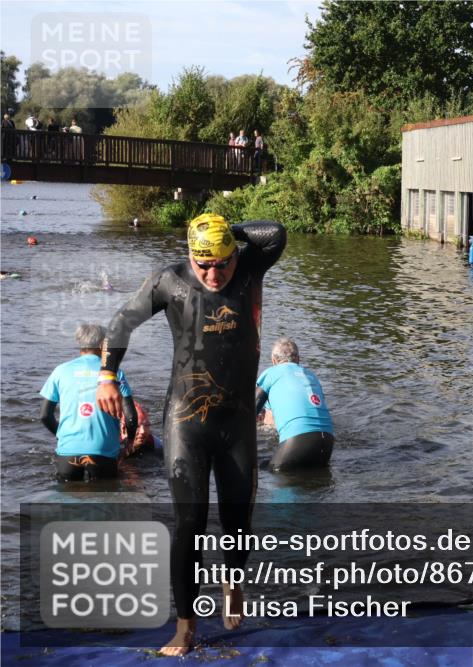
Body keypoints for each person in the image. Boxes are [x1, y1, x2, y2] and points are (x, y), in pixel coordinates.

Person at [97, 213, 286, 655]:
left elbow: (276, 232)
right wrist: (107, 374)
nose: (213, 273)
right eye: (203, 263)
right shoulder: (171, 281)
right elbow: (122, 322)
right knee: (189, 524)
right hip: (187, 421)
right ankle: (185, 627)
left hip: (237, 421)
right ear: (189, 255)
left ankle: (232, 583)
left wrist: (227, 230)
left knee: (238, 523)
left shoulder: (252, 266)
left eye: (222, 262)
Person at [40, 324, 137, 482]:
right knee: (105, 502)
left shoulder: (60, 371)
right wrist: (129, 442)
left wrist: (62, 435)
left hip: (68, 453)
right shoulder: (114, 373)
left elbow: (45, 415)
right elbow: (131, 417)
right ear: (102, 345)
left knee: (67, 502)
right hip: (103, 454)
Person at [255, 337, 334, 471]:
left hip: (298, 441)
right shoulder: (311, 376)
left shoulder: (271, 373)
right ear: (298, 359)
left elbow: (249, 411)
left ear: (274, 360)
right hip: (327, 442)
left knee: (264, 468)